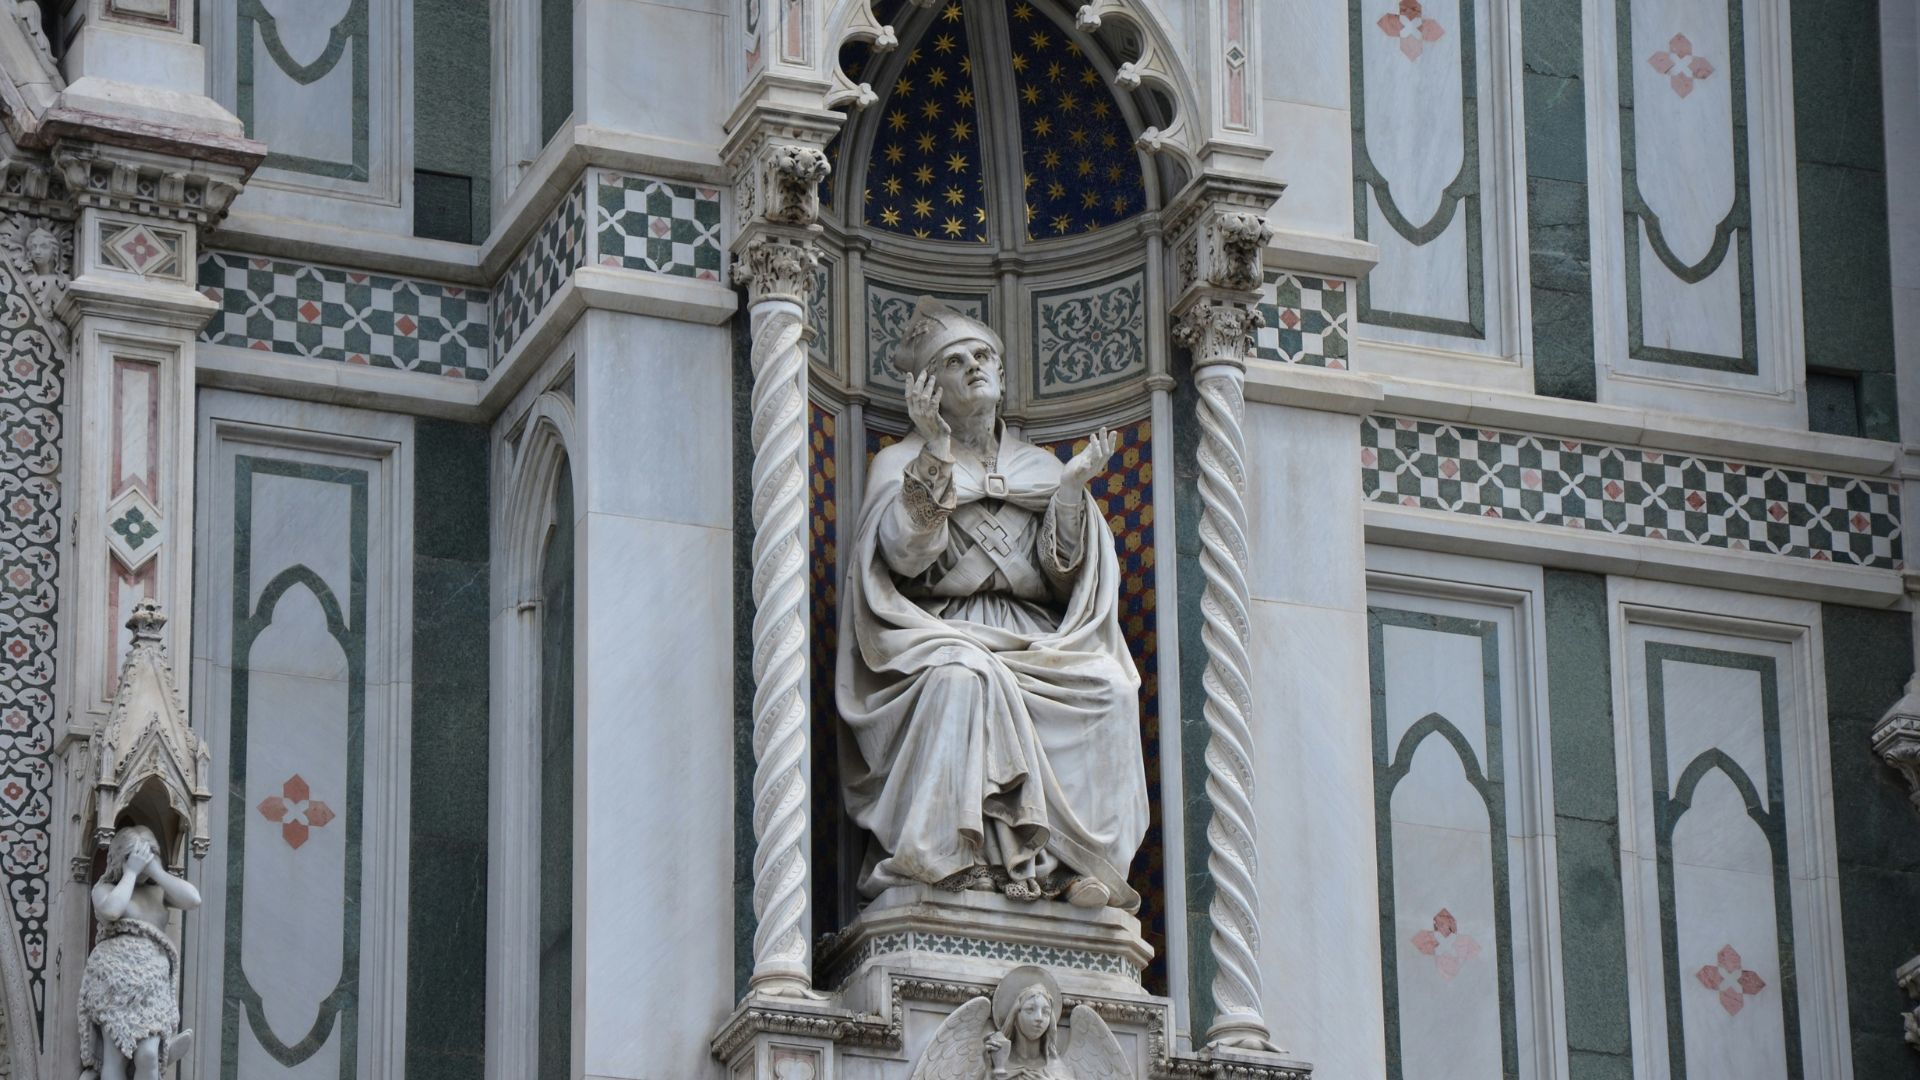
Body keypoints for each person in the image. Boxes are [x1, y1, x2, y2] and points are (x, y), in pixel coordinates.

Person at [836, 296, 1148, 910]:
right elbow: (901, 560)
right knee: (962, 676)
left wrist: (1069, 493)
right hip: (934, 632)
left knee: (1110, 687)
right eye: (955, 362)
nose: (975, 367)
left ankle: (1068, 870)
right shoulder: (901, 462)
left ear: (1002, 376)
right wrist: (936, 458)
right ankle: (951, 860)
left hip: (1036, 637)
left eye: (983, 356)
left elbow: (1067, 582)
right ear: (929, 389)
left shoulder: (1041, 466)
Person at [78, 825, 199, 1080]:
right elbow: (111, 911)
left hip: (151, 980)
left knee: (148, 1056)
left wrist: (156, 870)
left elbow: (193, 899)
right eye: (136, 856)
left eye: (148, 855)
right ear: (121, 858)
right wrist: (131, 872)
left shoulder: (159, 892)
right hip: (116, 981)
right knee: (116, 1055)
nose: (143, 863)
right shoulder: (106, 889)